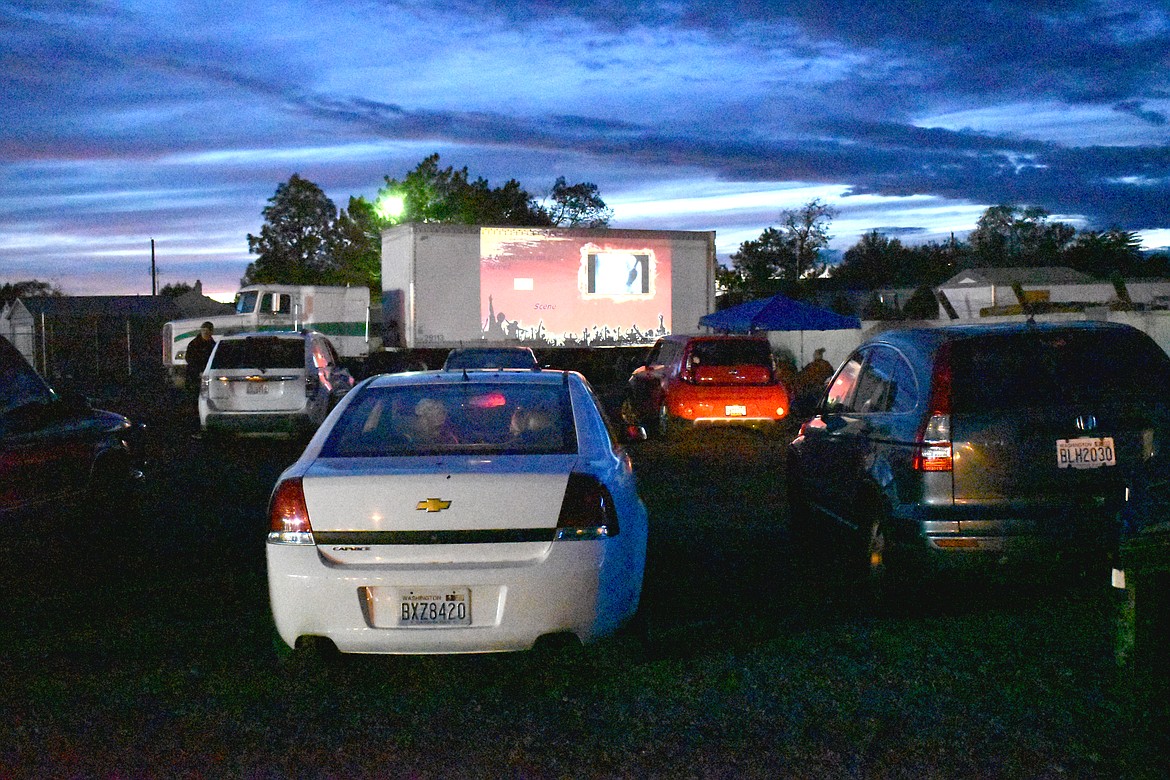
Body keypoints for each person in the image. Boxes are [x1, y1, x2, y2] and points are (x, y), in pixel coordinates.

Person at [185, 322, 216, 390]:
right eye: (203, 330)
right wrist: (198, 371)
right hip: (195, 376)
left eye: (207, 331)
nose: (205, 333)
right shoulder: (194, 344)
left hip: (207, 374)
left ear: (211, 332)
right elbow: (189, 359)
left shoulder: (213, 344)